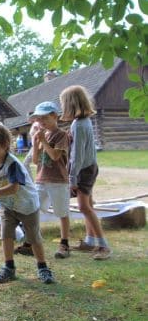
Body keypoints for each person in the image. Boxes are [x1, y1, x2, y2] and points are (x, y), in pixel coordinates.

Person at [0, 123, 55, 284]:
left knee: (33, 237)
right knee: (6, 235)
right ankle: (8, 267)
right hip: (7, 206)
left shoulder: (13, 164)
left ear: (4, 145)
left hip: (26, 206)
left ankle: (43, 267)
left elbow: (14, 188)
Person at [60, 85, 111, 260]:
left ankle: (103, 245)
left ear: (70, 104)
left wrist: (72, 177)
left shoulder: (79, 125)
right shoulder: (83, 122)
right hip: (89, 167)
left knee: (84, 207)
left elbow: (78, 155)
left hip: (83, 170)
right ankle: (90, 241)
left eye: (63, 104)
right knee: (88, 204)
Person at [16, 102, 72, 259]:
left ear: (55, 116)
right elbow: (35, 160)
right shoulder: (43, 135)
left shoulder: (61, 135)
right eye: (39, 119)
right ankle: (29, 242)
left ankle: (64, 243)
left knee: (62, 212)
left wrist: (44, 142)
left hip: (58, 180)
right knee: (33, 210)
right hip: (41, 179)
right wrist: (35, 144)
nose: (41, 122)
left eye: (45, 118)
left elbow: (55, 156)